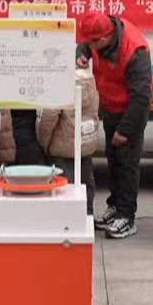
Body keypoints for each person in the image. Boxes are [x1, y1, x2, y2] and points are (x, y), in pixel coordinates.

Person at [77, 10, 152, 239]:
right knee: (113, 160)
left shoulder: (135, 51)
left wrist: (125, 130)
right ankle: (115, 206)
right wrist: (81, 54)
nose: (89, 46)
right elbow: (84, 45)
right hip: (110, 107)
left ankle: (127, 216)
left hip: (131, 112)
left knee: (127, 164)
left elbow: (141, 97)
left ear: (103, 39)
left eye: (91, 43)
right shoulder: (100, 35)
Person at [38, 64, 101, 212]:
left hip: (63, 146)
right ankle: (88, 215)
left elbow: (48, 119)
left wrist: (44, 143)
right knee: (86, 182)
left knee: (67, 189)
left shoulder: (60, 82)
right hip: (85, 142)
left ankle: (70, 218)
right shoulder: (89, 79)